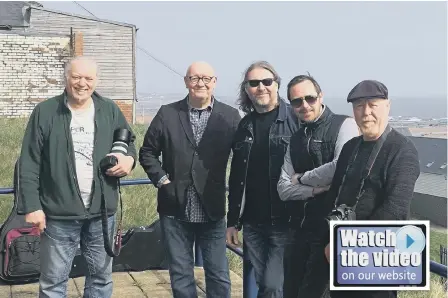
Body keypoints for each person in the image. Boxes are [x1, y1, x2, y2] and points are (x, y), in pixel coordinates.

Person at [18, 56, 137, 298]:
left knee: (101, 280)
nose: (82, 83)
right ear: (66, 78)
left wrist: (128, 161)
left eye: (88, 78)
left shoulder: (109, 109)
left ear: (96, 81)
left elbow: (128, 142)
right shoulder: (46, 111)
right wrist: (32, 206)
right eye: (76, 77)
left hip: (102, 213)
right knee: (53, 283)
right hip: (58, 214)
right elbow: (29, 162)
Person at [139, 61, 240, 298]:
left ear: (214, 82)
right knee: (181, 274)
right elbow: (147, 152)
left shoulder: (230, 116)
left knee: (218, 273)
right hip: (175, 209)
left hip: (212, 209)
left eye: (206, 78)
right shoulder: (168, 113)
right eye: (195, 78)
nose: (200, 83)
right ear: (186, 82)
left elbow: (242, 157)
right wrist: (162, 179)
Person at [324, 80, 420, 298]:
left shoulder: (402, 150)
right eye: (359, 106)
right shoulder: (351, 148)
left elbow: (395, 210)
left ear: (388, 106)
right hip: (342, 257)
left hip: (377, 259)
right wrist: (331, 241)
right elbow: (334, 196)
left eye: (373, 105)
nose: (365, 112)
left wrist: (349, 246)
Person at [277, 74, 359, 298]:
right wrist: (314, 189)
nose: (304, 105)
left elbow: (341, 167)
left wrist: (301, 179)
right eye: (296, 101)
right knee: (291, 292)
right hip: (297, 230)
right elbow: (283, 189)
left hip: (327, 232)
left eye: (310, 98)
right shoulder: (295, 138)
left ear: (321, 96)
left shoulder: (345, 125)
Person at [226, 61, 299, 297]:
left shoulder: (295, 120)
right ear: (246, 89)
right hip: (253, 222)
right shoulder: (245, 125)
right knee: (263, 283)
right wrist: (233, 221)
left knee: (272, 285)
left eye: (267, 82)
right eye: (254, 83)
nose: (261, 87)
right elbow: (237, 175)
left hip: (285, 220)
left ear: (277, 84)